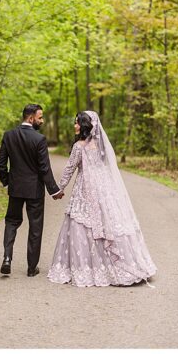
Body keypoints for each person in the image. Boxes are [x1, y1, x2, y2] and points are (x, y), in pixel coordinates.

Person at [47, 111, 157, 287]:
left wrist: (58, 190)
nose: (74, 126)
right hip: (104, 190)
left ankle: (88, 269)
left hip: (85, 190)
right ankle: (116, 266)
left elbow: (69, 170)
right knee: (108, 224)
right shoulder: (101, 145)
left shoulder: (79, 147)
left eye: (77, 123)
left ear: (84, 126)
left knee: (82, 225)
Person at [0, 104, 61, 277]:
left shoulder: (9, 136)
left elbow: (1, 163)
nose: (42, 120)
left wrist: (7, 181)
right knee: (35, 227)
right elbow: (44, 169)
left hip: (16, 188)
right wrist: (54, 190)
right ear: (31, 118)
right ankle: (32, 269)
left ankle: (7, 258)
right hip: (34, 190)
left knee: (11, 222)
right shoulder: (39, 139)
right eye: (40, 117)